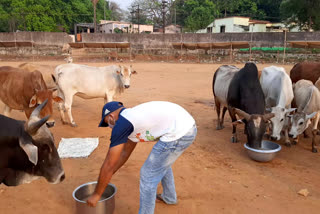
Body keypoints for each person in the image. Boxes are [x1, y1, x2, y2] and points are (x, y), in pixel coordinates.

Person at [86, 101, 197, 214]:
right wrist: (108, 175)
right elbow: (124, 153)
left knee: (148, 174)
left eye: (107, 123)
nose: (110, 127)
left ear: (111, 117)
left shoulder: (122, 124)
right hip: (184, 126)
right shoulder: (130, 119)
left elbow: (109, 164)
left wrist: (97, 194)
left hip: (181, 132)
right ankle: (169, 197)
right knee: (161, 162)